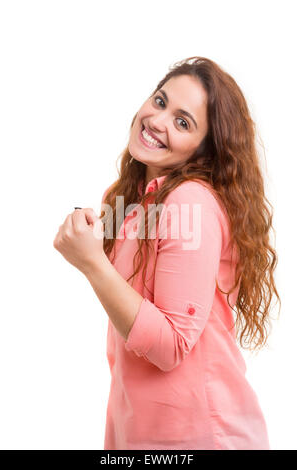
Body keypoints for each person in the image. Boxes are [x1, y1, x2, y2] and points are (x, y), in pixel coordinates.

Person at [53, 56, 281, 450]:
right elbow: (126, 293)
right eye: (160, 102)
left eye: (183, 122)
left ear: (204, 151)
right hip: (136, 429)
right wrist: (90, 239)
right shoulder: (125, 196)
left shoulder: (190, 202)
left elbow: (171, 345)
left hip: (201, 434)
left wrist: (90, 262)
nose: (158, 121)